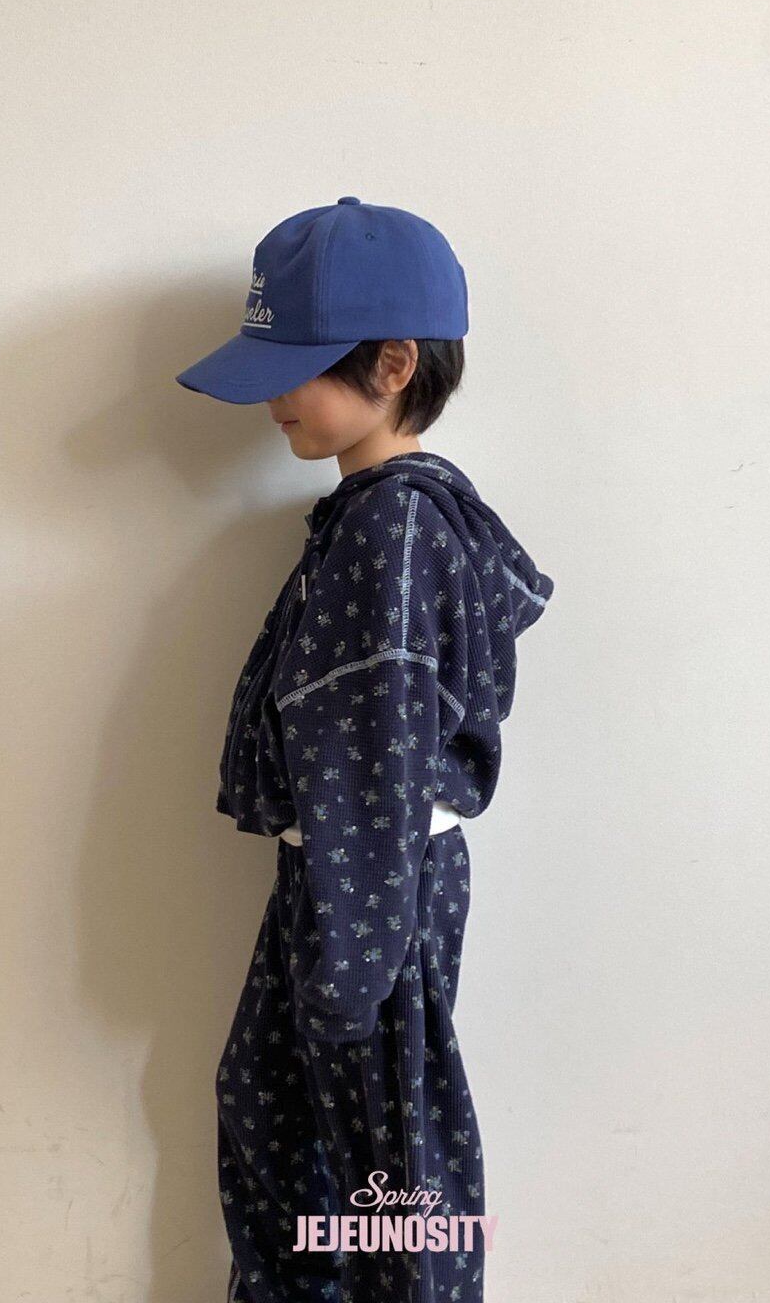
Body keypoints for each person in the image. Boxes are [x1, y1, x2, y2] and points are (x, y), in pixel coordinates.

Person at [175, 196, 555, 1303]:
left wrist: (349, 964)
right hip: (356, 882)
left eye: (292, 370)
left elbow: (377, 748)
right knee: (301, 1135)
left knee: (388, 1179)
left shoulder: (391, 530)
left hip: (364, 890)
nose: (273, 401)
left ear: (392, 364)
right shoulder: (387, 517)